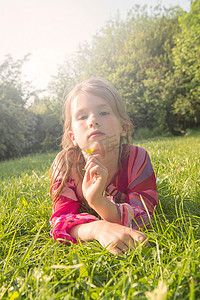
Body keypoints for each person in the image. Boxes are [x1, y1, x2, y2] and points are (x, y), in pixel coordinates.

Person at [50, 77, 158, 255]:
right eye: (82, 116)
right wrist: (98, 229)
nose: (93, 120)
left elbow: (145, 214)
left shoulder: (136, 158)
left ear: (123, 127)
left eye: (104, 113)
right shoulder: (66, 166)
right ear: (73, 137)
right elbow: (60, 221)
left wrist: (98, 202)